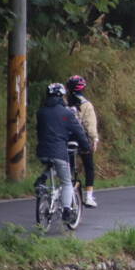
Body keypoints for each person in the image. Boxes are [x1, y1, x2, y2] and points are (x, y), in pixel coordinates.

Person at [35, 83, 91, 223]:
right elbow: (78, 131)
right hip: (59, 151)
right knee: (66, 181)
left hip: (42, 151)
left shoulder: (41, 112)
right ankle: (66, 210)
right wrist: (86, 146)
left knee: (51, 166)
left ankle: (43, 178)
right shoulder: (66, 113)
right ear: (61, 96)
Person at [65, 75, 99, 208]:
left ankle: (66, 193)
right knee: (88, 165)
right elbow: (90, 124)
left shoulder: (63, 102)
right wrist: (94, 138)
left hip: (66, 139)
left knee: (67, 167)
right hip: (81, 139)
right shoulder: (86, 104)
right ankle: (89, 197)